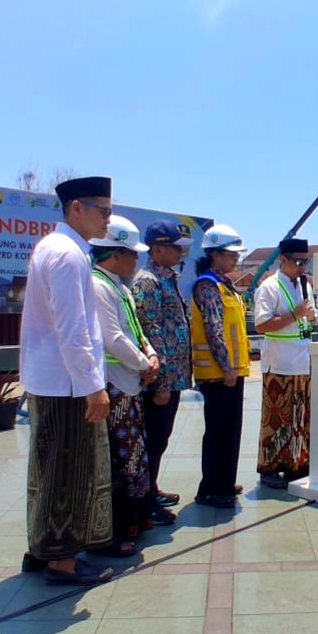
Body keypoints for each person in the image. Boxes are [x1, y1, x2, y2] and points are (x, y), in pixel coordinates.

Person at [19, 176, 115, 584]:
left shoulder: (55, 247)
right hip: (68, 384)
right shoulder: (68, 255)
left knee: (45, 469)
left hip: (54, 380)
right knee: (68, 472)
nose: (108, 219)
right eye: (103, 210)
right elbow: (72, 328)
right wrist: (94, 386)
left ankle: (41, 549)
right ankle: (62, 561)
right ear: (76, 208)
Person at [90, 216, 162, 557]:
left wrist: (149, 355)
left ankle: (136, 521)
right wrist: (143, 363)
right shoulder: (98, 286)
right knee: (120, 462)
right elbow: (113, 338)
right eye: (133, 254)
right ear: (116, 253)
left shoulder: (118, 286)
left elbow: (135, 330)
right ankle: (115, 529)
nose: (136, 260)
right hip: (114, 384)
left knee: (135, 457)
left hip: (131, 383)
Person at [132, 219, 195, 523]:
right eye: (174, 247)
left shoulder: (167, 277)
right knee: (153, 441)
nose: (180, 253)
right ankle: (145, 502)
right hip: (160, 381)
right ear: (157, 249)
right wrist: (161, 384)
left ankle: (151, 489)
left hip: (174, 378)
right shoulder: (147, 281)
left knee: (161, 439)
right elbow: (150, 332)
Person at [191, 225, 251, 507]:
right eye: (231, 254)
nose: (236, 259)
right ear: (215, 254)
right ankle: (211, 488)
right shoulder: (208, 285)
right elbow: (214, 330)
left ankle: (224, 481)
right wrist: (227, 366)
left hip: (231, 372)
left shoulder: (225, 284)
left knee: (230, 430)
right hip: (218, 373)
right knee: (218, 432)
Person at [254, 238, 315, 489]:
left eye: (306, 261)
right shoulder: (270, 287)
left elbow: (307, 316)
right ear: (284, 260)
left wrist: (309, 316)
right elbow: (262, 324)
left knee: (300, 417)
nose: (302, 266)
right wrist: (295, 315)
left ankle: (295, 465)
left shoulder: (304, 286)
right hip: (279, 362)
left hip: (302, 359)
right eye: (298, 261)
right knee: (276, 418)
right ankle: (269, 468)